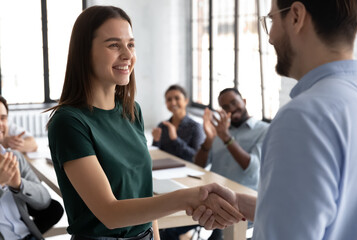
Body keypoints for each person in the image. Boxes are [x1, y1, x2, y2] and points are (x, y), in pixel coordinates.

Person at [46, 6, 242, 240]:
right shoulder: (69, 123)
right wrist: (189, 197)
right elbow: (110, 213)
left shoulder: (131, 111)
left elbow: (144, 193)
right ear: (84, 52)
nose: (128, 55)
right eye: (114, 45)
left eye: (130, 44)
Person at [189, 0, 357, 239]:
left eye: (271, 20)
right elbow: (321, 211)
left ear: (296, 16)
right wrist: (238, 201)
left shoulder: (303, 117)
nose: (270, 38)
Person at [195, 88, 269, 191]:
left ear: (244, 101)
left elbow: (252, 169)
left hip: (242, 195)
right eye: (225, 107)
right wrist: (208, 140)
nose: (231, 109)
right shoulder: (219, 129)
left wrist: (227, 138)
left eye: (234, 102)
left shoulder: (265, 130)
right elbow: (198, 165)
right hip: (213, 190)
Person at [0, 131, 63, 239]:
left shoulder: (14, 157)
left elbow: (45, 201)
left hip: (27, 235)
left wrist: (19, 185)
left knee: (55, 208)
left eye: (3, 118)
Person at [152, 84, 205, 162]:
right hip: (164, 168)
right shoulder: (162, 126)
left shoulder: (196, 127)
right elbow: (156, 153)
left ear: (186, 101)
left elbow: (197, 157)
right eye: (169, 100)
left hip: (187, 169)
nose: (173, 103)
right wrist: (155, 141)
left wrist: (175, 139)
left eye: (177, 98)